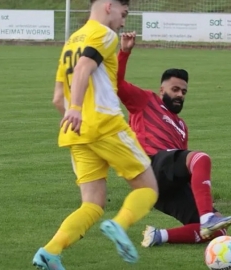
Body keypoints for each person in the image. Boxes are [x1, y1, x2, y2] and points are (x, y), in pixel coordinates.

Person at [32, 2, 159, 269]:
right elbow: (83, 69)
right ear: (109, 6)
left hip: (76, 133)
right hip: (105, 124)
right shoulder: (104, 33)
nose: (123, 23)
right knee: (148, 188)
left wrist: (72, 114)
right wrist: (77, 108)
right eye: (123, 14)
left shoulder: (71, 41)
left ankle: (50, 252)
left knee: (92, 204)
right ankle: (120, 225)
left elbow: (57, 98)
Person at [116, 32, 231, 247]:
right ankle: (208, 218)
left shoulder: (181, 127)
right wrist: (124, 52)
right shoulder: (146, 100)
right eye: (175, 89)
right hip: (150, 166)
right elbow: (115, 83)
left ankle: (159, 236)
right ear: (162, 90)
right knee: (201, 159)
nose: (180, 94)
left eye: (184, 91)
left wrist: (203, 202)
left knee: (220, 231)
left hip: (164, 186)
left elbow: (184, 169)